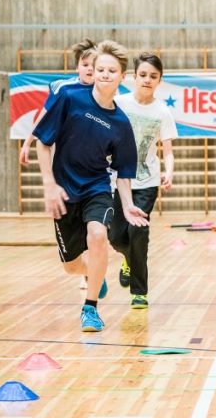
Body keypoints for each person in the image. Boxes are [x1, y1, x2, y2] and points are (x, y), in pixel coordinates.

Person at [33, 41, 141, 332]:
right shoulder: (68, 97)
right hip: (64, 190)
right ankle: (96, 272)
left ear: (121, 77)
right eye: (100, 69)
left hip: (96, 188)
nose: (104, 74)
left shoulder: (120, 123)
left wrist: (128, 204)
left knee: (98, 235)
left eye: (112, 70)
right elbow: (43, 143)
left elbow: (123, 172)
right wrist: (49, 185)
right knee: (71, 266)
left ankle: (90, 308)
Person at [109, 53, 177, 309]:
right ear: (133, 77)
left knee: (138, 231)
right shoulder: (119, 103)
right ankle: (128, 259)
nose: (147, 80)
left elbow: (167, 150)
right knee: (116, 237)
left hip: (147, 181)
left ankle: (139, 292)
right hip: (118, 181)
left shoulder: (162, 111)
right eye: (143, 75)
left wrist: (168, 172)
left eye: (153, 76)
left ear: (159, 80)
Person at [19, 38, 97, 165]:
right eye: (85, 64)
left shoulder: (104, 91)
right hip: (63, 150)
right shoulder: (63, 88)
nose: (90, 69)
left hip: (93, 154)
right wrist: (27, 143)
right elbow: (44, 115)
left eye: (94, 65)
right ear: (77, 67)